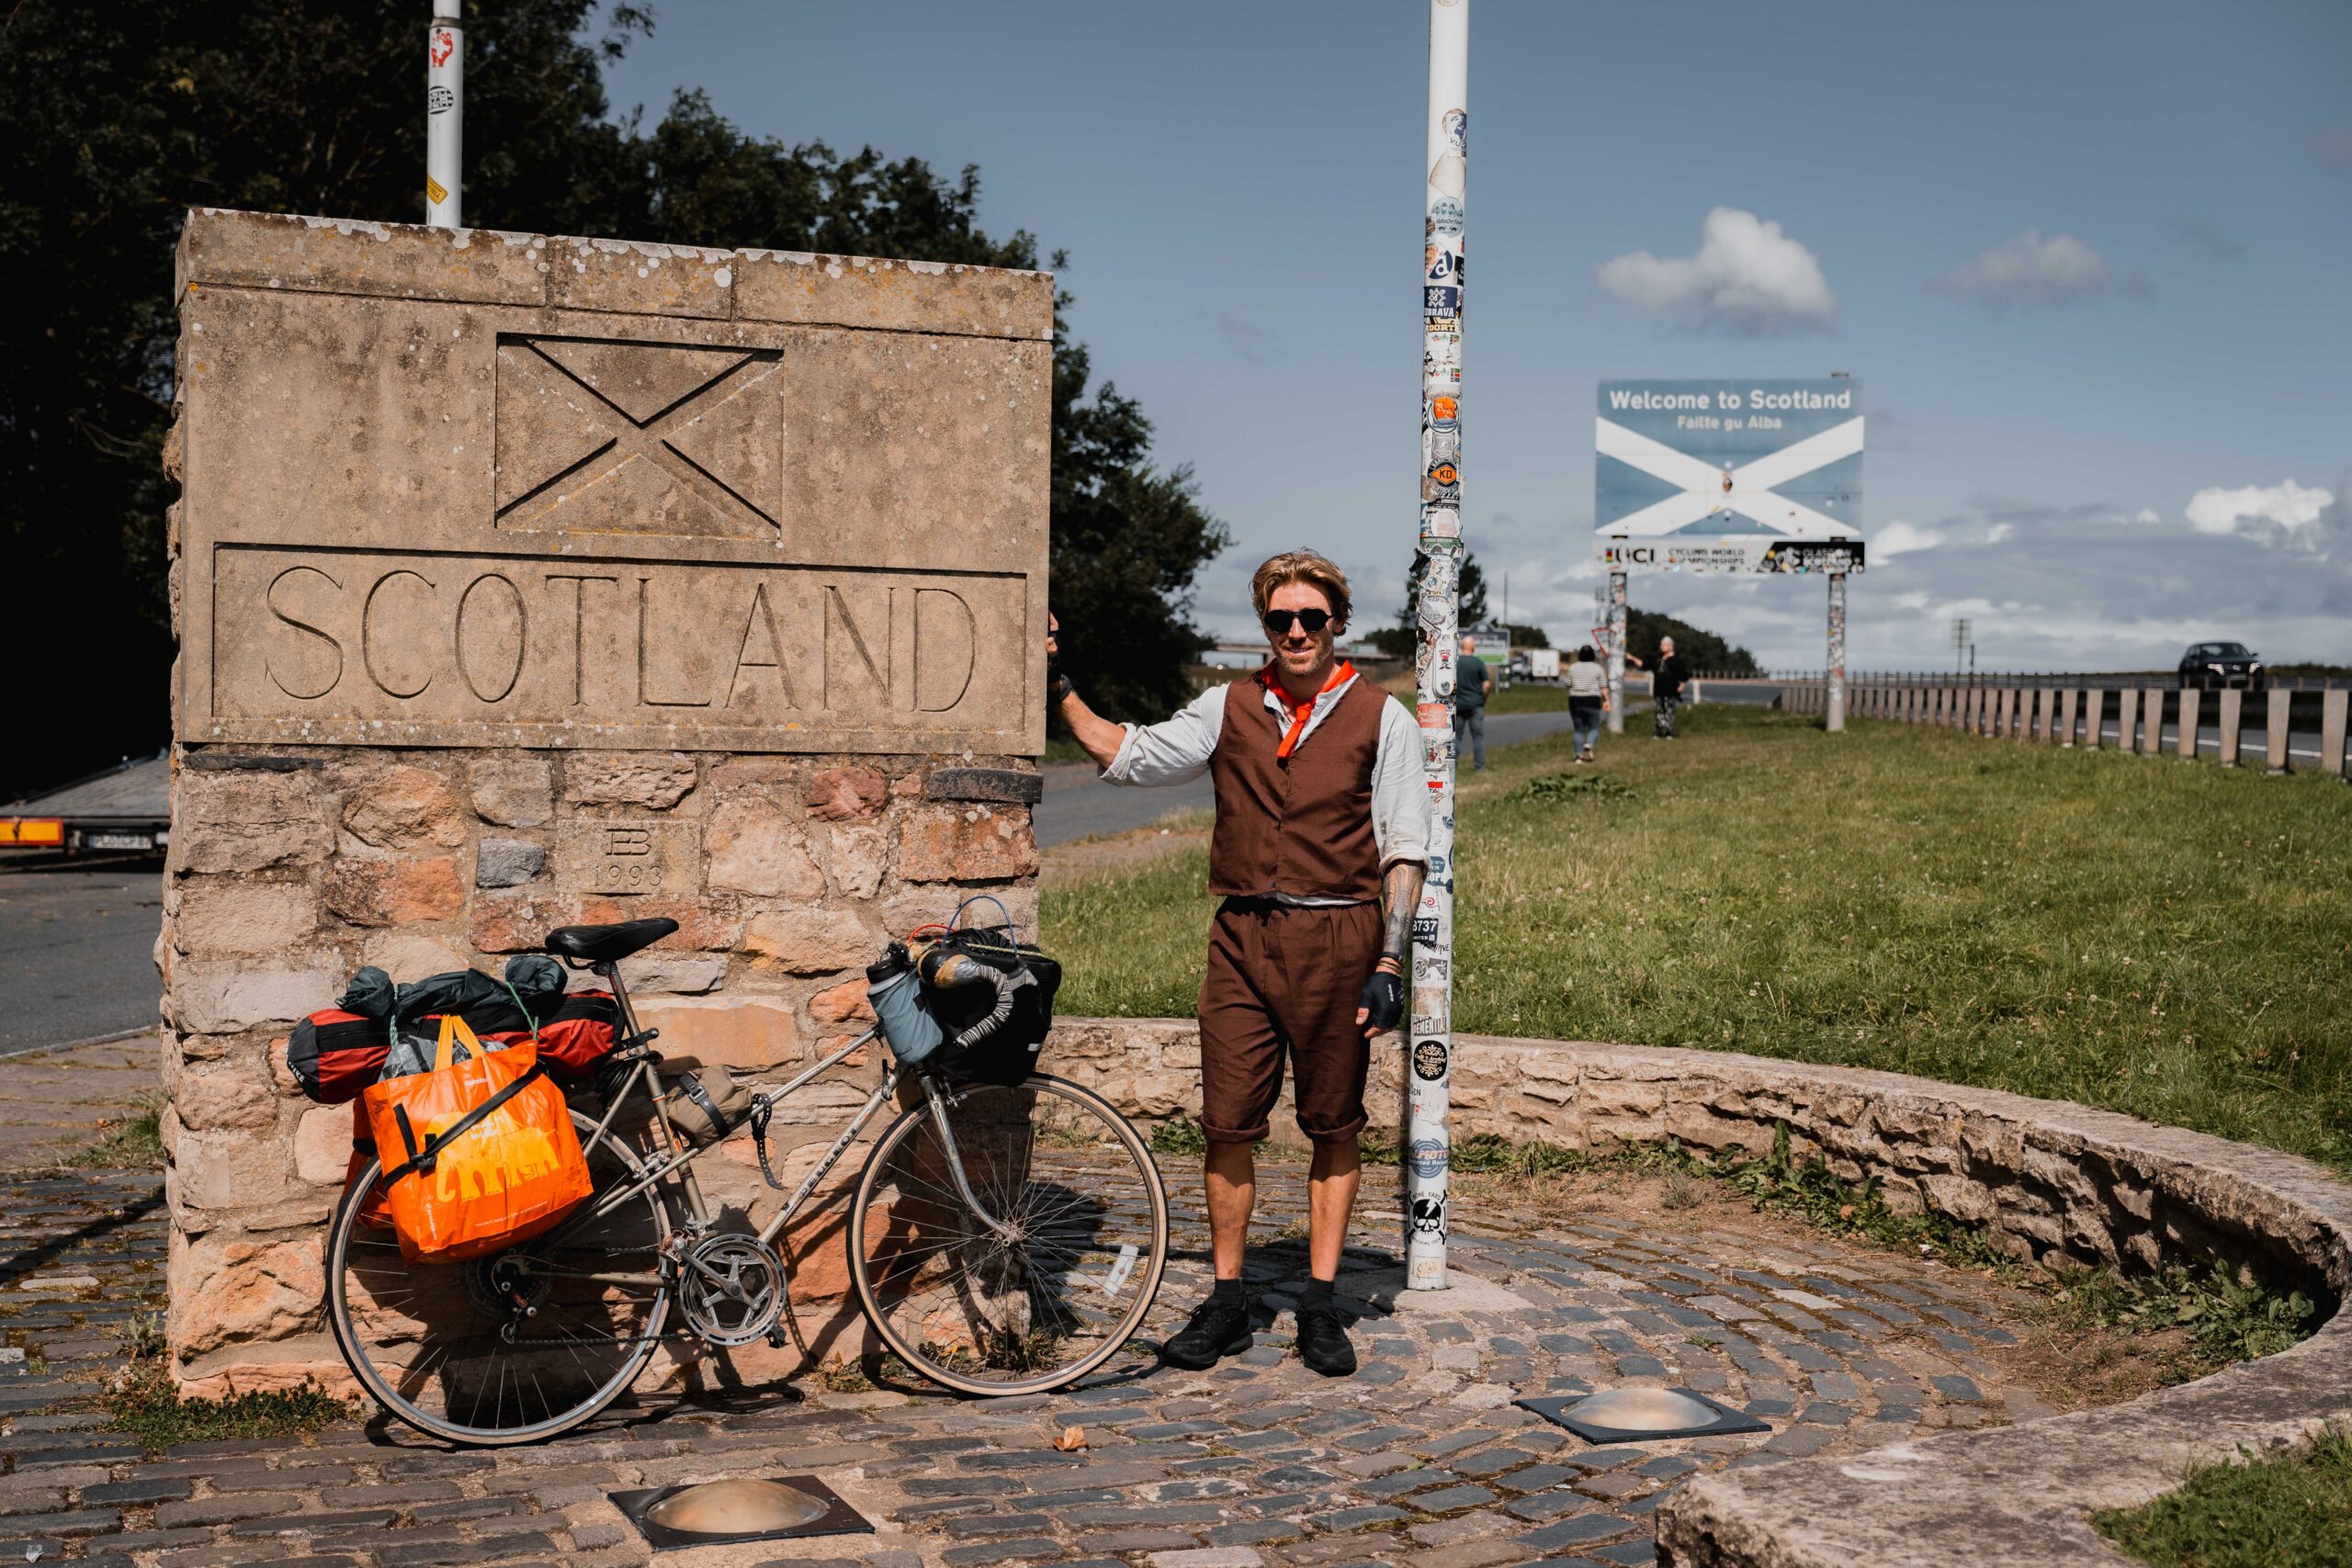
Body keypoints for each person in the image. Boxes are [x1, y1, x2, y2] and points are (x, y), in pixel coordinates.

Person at [1047, 553, 1429, 1378]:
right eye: (1280, 620)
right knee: (1226, 1123)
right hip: (1243, 942)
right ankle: (1226, 1298)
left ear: (1338, 624)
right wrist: (1059, 687)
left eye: (1311, 619)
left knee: (1334, 1122)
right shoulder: (1229, 706)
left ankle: (1322, 1305)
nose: (1296, 632)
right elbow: (1134, 755)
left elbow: (1405, 848)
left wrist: (1391, 962)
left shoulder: (1381, 717)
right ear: (1265, 626)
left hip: (1341, 940)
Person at [1453, 633, 1493, 772]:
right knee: (1477, 737)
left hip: (1458, 704)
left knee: (1456, 737)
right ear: (1473, 648)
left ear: (1462, 646)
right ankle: (1479, 767)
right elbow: (1486, 685)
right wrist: (1483, 699)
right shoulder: (1478, 663)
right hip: (1476, 704)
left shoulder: (1455, 662)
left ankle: (1453, 767)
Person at [1566, 644, 1607, 762]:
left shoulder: (1573, 667)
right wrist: (1607, 700)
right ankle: (1589, 744)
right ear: (1593, 656)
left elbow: (1567, 684)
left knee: (1578, 729)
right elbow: (1603, 687)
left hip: (1575, 700)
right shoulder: (1598, 668)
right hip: (1592, 700)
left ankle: (1578, 757)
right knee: (1594, 727)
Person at [1653, 636, 1689, 739]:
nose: (1662, 646)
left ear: (1670, 646)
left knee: (1669, 710)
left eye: (1663, 644)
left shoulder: (1676, 660)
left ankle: (1669, 731)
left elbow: (1684, 675)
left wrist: (1681, 685)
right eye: (1661, 644)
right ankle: (1658, 731)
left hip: (1671, 690)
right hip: (1659, 690)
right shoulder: (1659, 659)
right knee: (1659, 711)